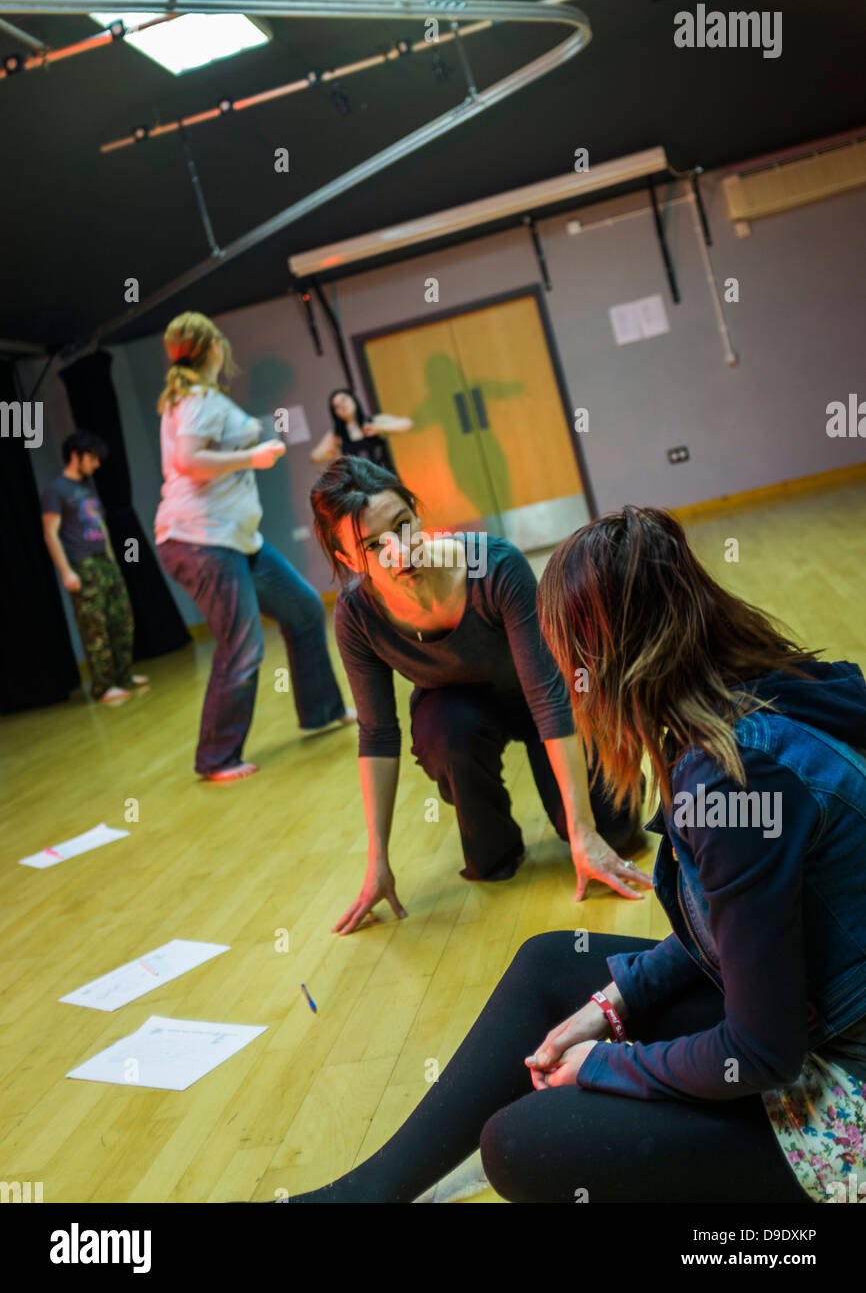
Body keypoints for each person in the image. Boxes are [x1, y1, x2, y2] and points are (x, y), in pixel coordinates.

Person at [279, 505, 866, 1203]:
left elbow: (762, 1054)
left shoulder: (732, 778)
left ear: (602, 660)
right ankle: (366, 1195)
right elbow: (741, 927)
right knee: (551, 964)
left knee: (520, 1143)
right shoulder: (754, 698)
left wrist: (605, 1066)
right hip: (812, 1008)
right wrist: (614, 1003)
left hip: (840, 1087)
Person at [309, 456, 651, 935]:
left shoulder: (493, 565)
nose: (400, 551)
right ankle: (499, 840)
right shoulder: (356, 616)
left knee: (617, 833)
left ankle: (591, 812)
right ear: (348, 560)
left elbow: (549, 697)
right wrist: (377, 862)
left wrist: (583, 831)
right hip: (460, 714)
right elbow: (378, 734)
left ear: (417, 513)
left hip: (546, 702)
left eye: (403, 525)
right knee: (482, 842)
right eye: (373, 545)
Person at [154, 311, 355, 782]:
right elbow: (187, 461)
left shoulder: (197, 397)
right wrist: (254, 455)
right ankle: (216, 759)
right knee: (242, 646)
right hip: (201, 539)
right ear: (214, 348)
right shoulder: (197, 398)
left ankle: (322, 709)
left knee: (304, 608)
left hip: (235, 539)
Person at [41, 430, 148, 705]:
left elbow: (101, 526)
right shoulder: (56, 491)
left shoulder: (89, 488)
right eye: (93, 458)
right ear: (77, 455)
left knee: (122, 620)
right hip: (83, 565)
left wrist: (113, 560)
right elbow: (50, 533)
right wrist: (67, 571)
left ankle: (124, 676)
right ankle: (103, 686)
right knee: (94, 628)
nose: (97, 464)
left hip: (104, 562)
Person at [310, 387, 412, 471]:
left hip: (387, 481)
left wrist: (378, 429)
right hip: (361, 490)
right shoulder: (337, 435)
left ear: (352, 399)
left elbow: (407, 424)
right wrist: (329, 453)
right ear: (335, 413)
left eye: (343, 400)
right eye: (337, 406)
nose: (342, 406)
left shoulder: (374, 421)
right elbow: (315, 457)